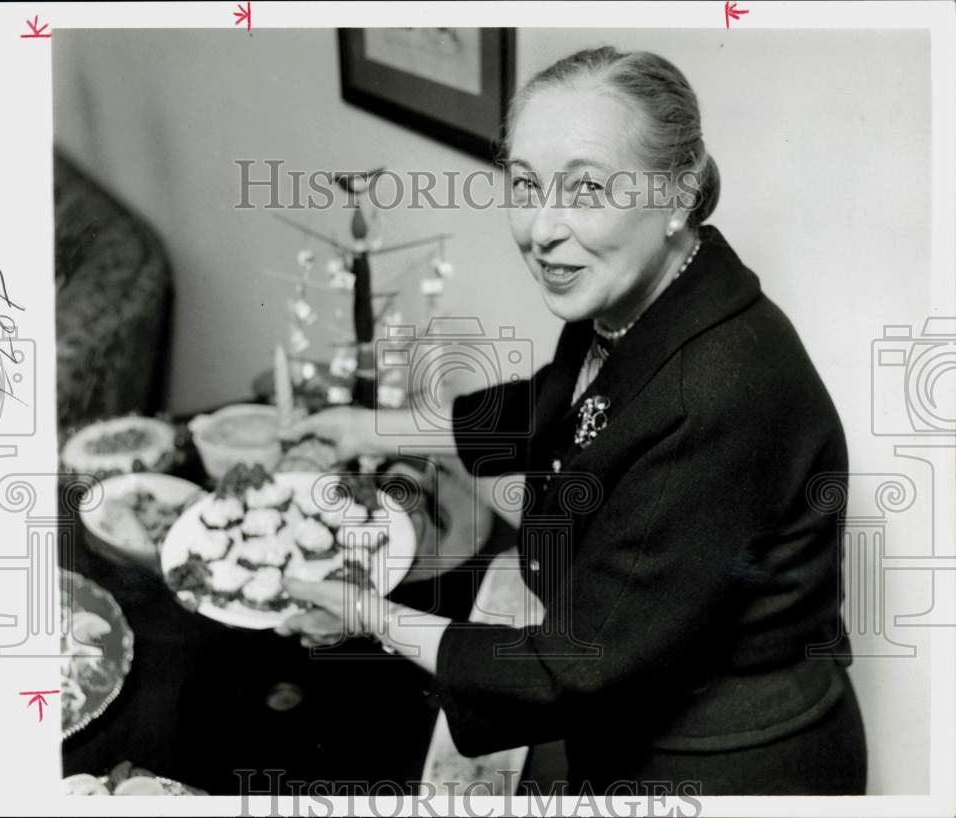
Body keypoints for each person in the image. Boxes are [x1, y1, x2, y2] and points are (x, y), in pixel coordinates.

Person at [278, 47, 867, 795]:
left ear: (679, 193)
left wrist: (366, 614)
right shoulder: (651, 292)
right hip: (633, 713)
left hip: (724, 760)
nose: (542, 230)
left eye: (586, 188)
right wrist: (370, 429)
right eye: (524, 185)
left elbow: (575, 664)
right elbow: (556, 405)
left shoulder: (717, 392)